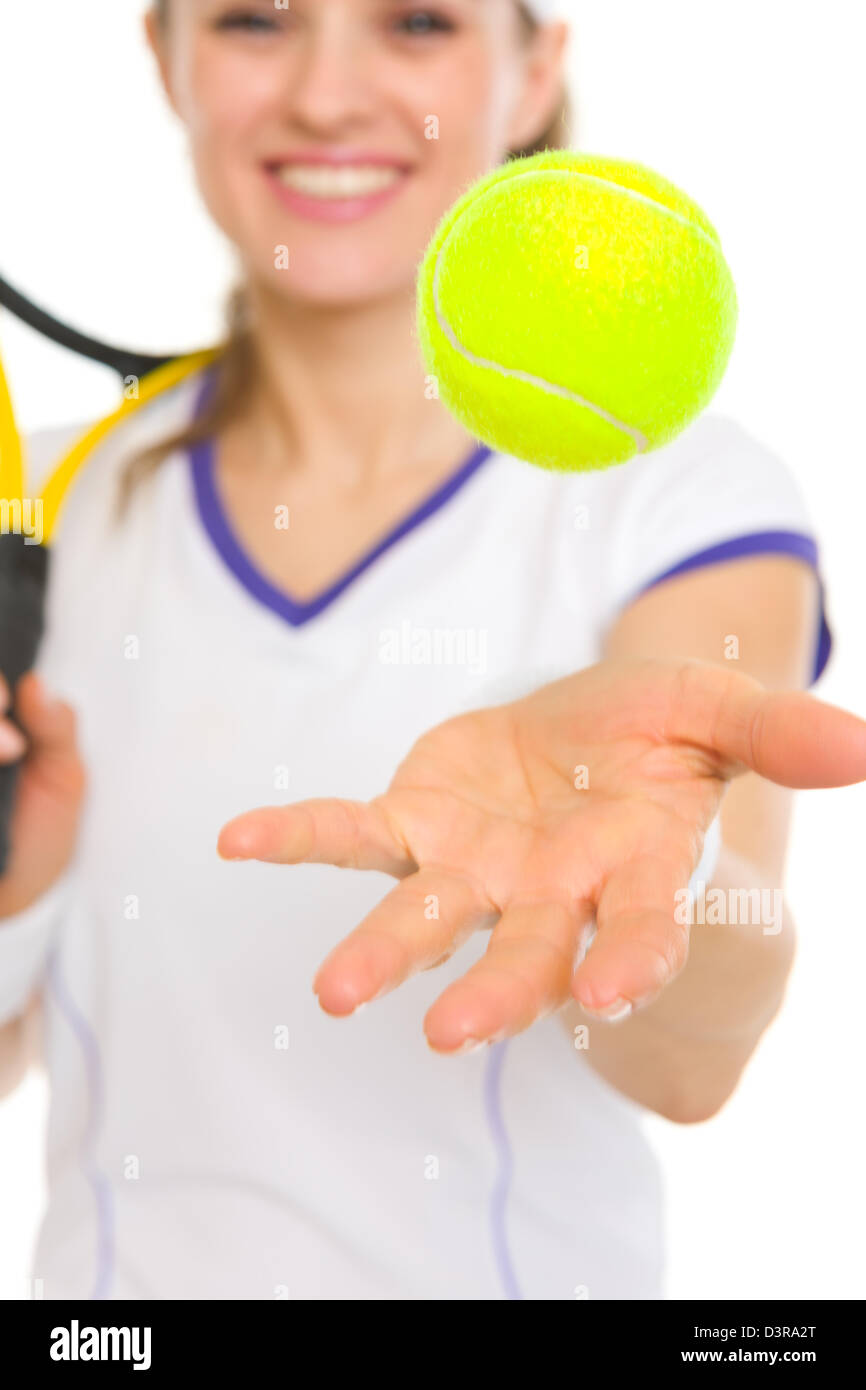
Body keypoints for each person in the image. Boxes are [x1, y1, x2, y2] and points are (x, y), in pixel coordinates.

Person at [0, 0, 862, 1301]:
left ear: (535, 72)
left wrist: (658, 882)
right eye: (252, 22)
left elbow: (692, 1063)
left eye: (415, 24)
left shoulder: (683, 496)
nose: (328, 93)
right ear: (164, 59)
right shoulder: (52, 495)